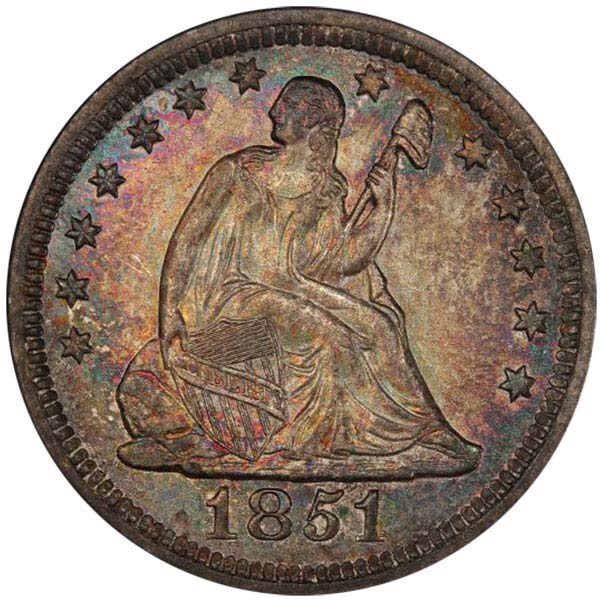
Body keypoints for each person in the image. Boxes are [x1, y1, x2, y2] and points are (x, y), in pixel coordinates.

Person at [117, 76, 480, 472]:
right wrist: (170, 318)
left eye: (287, 105)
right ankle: (313, 440)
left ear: (313, 123)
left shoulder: (327, 187)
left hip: (294, 286)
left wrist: (384, 206)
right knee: (330, 334)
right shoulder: (239, 171)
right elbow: (187, 241)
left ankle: (428, 431)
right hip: (236, 294)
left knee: (382, 327)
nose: (275, 111)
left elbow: (345, 262)